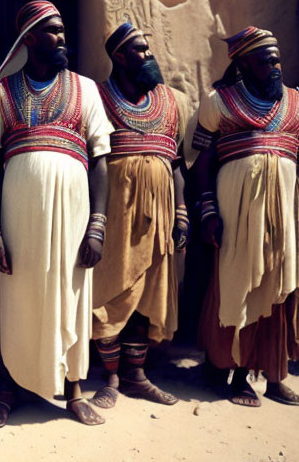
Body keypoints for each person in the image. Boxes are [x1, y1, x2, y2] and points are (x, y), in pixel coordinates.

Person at [0, 0, 113, 427]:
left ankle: (72, 390)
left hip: (74, 216)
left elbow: (100, 160)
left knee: (71, 294)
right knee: (20, 296)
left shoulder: (86, 88)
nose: (63, 38)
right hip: (19, 216)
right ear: (30, 38)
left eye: (63, 30)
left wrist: (97, 226)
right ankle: (12, 386)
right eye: (54, 31)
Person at [193, 27, 299, 406]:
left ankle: (275, 374)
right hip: (236, 214)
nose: (274, 66)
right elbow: (202, 160)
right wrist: (208, 212)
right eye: (265, 60)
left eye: (276, 59)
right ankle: (232, 372)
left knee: (282, 284)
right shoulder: (218, 102)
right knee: (239, 284)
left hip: (287, 213)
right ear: (244, 63)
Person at [90, 22, 190, 409]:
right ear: (118, 56)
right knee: (110, 291)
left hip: (160, 215)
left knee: (148, 292)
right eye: (139, 50)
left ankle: (136, 376)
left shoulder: (170, 101)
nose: (148, 56)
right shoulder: (97, 97)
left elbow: (178, 164)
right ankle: (111, 376)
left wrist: (181, 213)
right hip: (115, 213)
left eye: (147, 49)